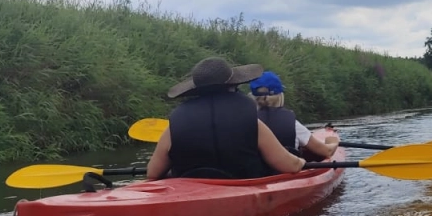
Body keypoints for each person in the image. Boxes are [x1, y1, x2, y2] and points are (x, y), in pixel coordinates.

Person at [145, 57, 307, 180]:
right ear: (233, 86)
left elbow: (152, 174)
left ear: (195, 90)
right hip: (243, 188)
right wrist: (300, 162)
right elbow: (289, 165)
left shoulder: (174, 126)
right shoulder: (250, 120)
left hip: (189, 191)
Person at [249, 70, 339, 162]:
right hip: (287, 172)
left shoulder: (247, 122)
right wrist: (333, 142)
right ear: (279, 95)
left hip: (255, 174)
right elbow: (327, 151)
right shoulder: (293, 125)